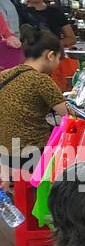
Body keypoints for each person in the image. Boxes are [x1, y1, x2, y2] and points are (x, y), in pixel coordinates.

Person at [0, 25, 67, 175]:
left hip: (4, 152)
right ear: (50, 56)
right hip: (32, 153)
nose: (58, 64)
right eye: (58, 58)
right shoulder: (40, 80)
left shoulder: (5, 74)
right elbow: (67, 113)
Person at [20, 0, 77, 93]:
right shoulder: (20, 12)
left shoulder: (55, 12)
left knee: (55, 94)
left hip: (54, 62)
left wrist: (53, 45)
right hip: (29, 64)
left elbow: (71, 38)